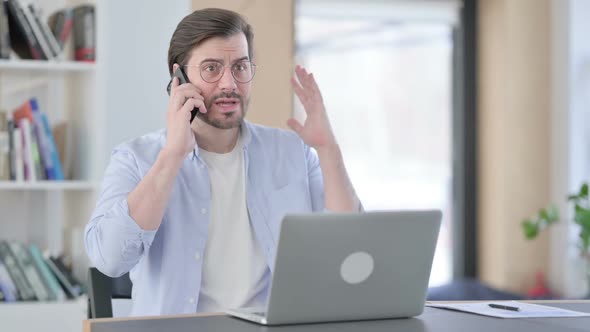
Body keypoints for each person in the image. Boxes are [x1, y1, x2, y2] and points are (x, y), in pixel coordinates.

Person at [84, 8, 361, 316]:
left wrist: (327, 148)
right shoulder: (136, 159)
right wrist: (173, 155)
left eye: (240, 67)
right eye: (212, 69)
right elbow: (109, 259)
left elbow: (347, 251)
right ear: (179, 78)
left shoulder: (292, 151)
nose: (229, 84)